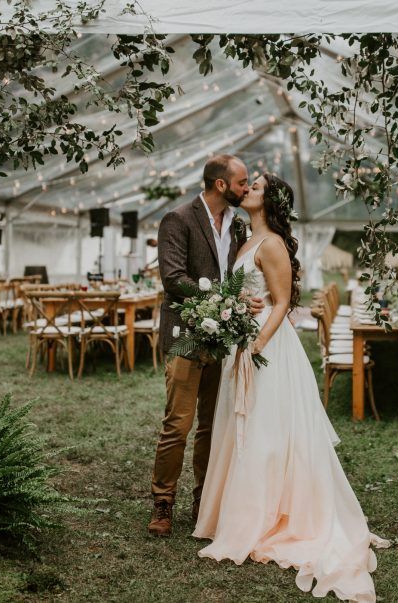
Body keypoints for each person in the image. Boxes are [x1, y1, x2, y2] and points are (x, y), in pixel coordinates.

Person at [193, 173, 389, 602]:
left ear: (271, 202)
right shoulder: (246, 241)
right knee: (244, 426)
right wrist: (234, 311)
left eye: (256, 187)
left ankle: (269, 515)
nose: (247, 189)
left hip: (265, 348)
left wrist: (256, 346)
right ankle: (240, 513)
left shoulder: (274, 244)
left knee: (266, 430)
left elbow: (282, 302)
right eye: (249, 184)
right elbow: (248, 291)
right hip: (240, 340)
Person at [148, 154, 260, 537]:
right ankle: (162, 502)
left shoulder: (239, 227)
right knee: (177, 424)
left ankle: (203, 499)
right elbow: (174, 279)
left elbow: (239, 275)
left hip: (223, 339)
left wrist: (242, 304)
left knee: (213, 425)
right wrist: (225, 301)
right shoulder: (177, 220)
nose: (247, 188)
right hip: (186, 336)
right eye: (243, 182)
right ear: (221, 185)